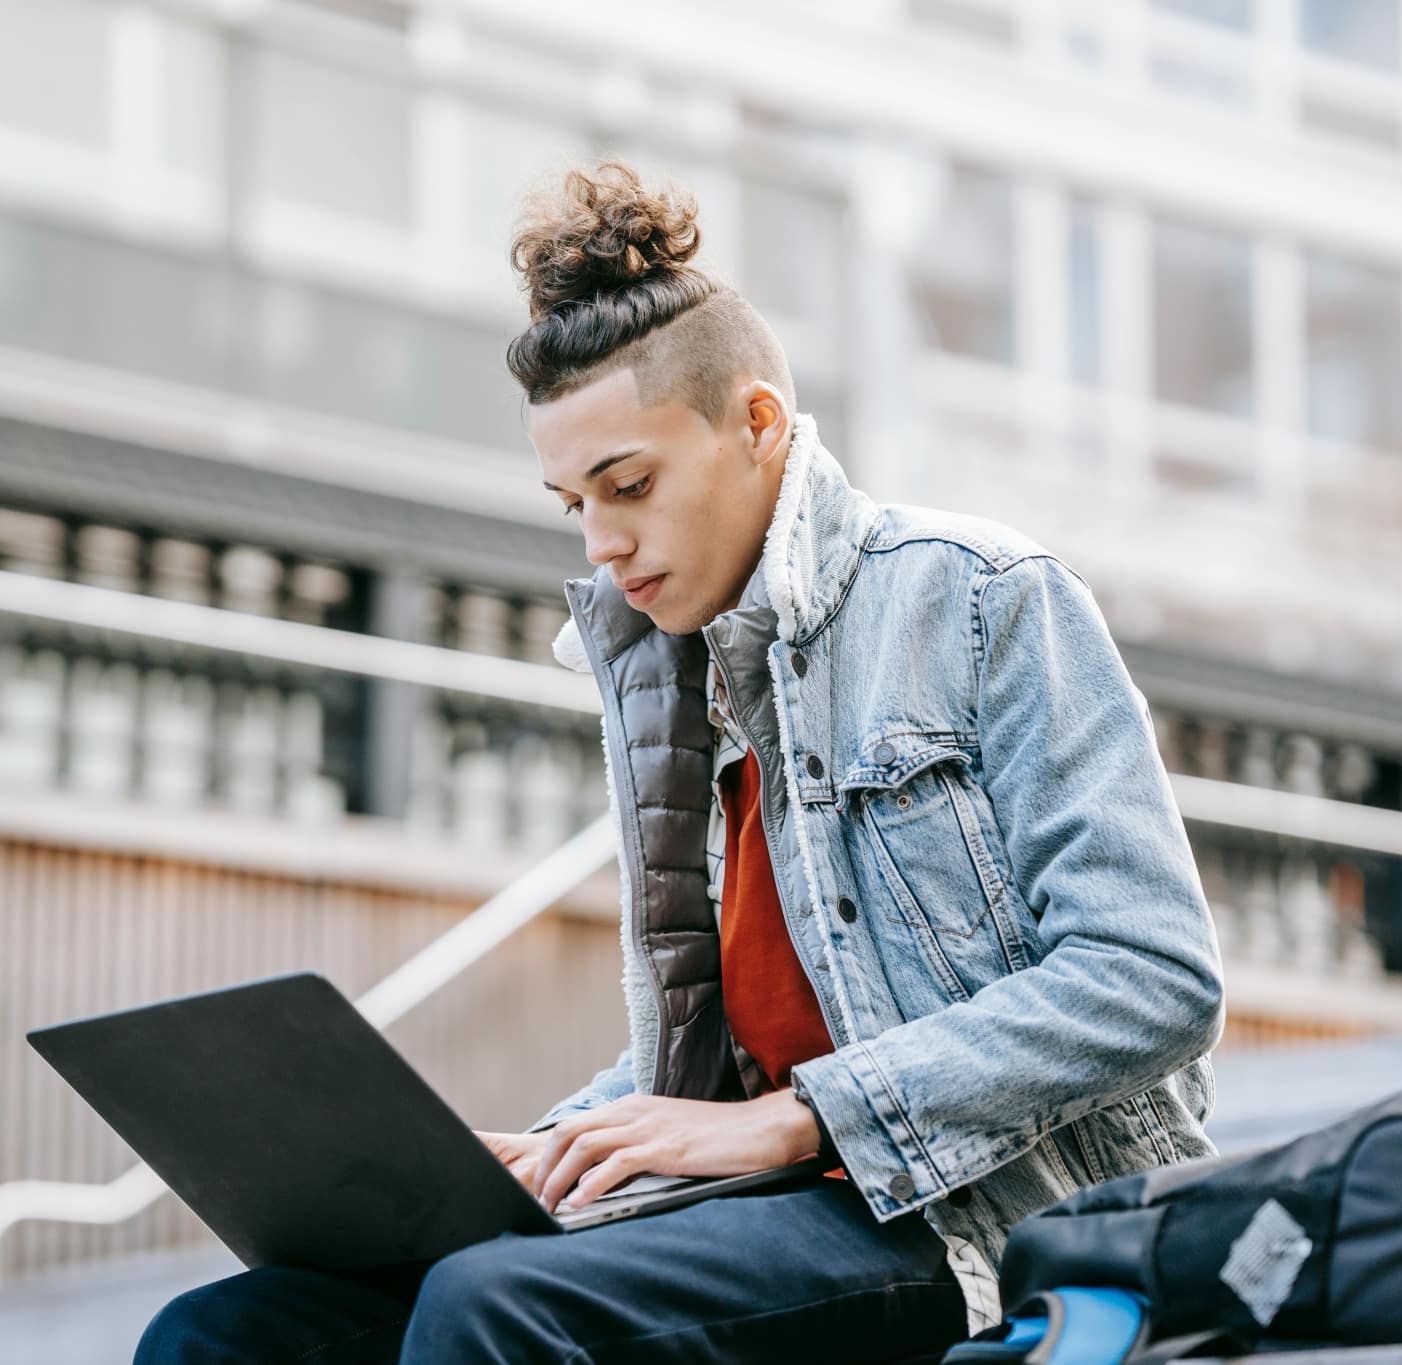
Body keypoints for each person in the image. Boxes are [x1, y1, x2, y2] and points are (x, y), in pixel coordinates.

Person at [134, 160, 1224, 1364]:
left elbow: (1151, 975)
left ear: (757, 425)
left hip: (968, 1223)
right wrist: (552, 1145)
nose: (602, 544)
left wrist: (795, 1121)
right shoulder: (671, 675)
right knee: (233, 1331)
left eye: (630, 485)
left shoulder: (979, 600)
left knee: (492, 1310)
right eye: (572, 505)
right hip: (764, 1207)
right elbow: (716, 1067)